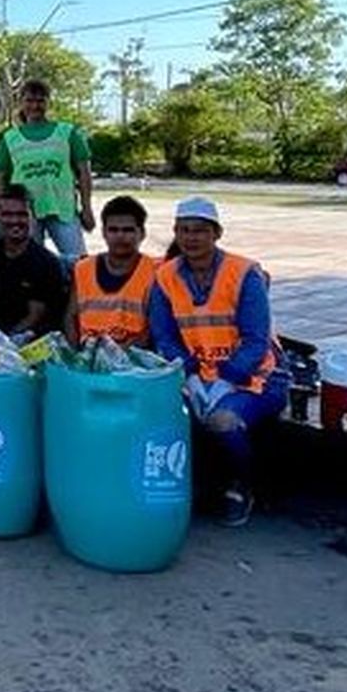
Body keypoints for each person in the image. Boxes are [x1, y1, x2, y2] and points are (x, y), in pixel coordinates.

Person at [150, 196, 287, 528]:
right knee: (164, 413)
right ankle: (196, 483)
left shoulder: (243, 274)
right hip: (197, 374)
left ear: (217, 233)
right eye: (184, 230)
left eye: (200, 231)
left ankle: (242, 484)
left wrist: (227, 380)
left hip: (255, 378)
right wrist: (191, 375)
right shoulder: (166, 276)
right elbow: (164, 337)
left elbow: (256, 339)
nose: (191, 238)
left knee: (223, 421)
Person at [0, 79, 95, 256]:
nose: (35, 105)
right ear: (21, 103)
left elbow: (84, 173)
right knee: (30, 265)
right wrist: (2, 212)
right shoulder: (10, 139)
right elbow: (2, 180)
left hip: (63, 210)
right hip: (25, 214)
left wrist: (87, 208)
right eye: (29, 100)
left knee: (78, 262)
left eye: (41, 100)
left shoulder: (67, 132)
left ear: (48, 102)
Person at [0, 184, 65, 336]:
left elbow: (35, 316)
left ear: (32, 217)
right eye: (7, 214)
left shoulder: (47, 263)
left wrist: (3, 344)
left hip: (27, 343)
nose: (14, 221)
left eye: (21, 214)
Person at [65, 195, 157, 348]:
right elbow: (70, 317)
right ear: (104, 232)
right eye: (113, 230)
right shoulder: (83, 268)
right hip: (88, 357)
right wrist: (75, 355)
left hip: (133, 359)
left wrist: (120, 355)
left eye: (128, 230)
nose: (120, 236)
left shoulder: (154, 272)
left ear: (142, 233)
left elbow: (153, 327)